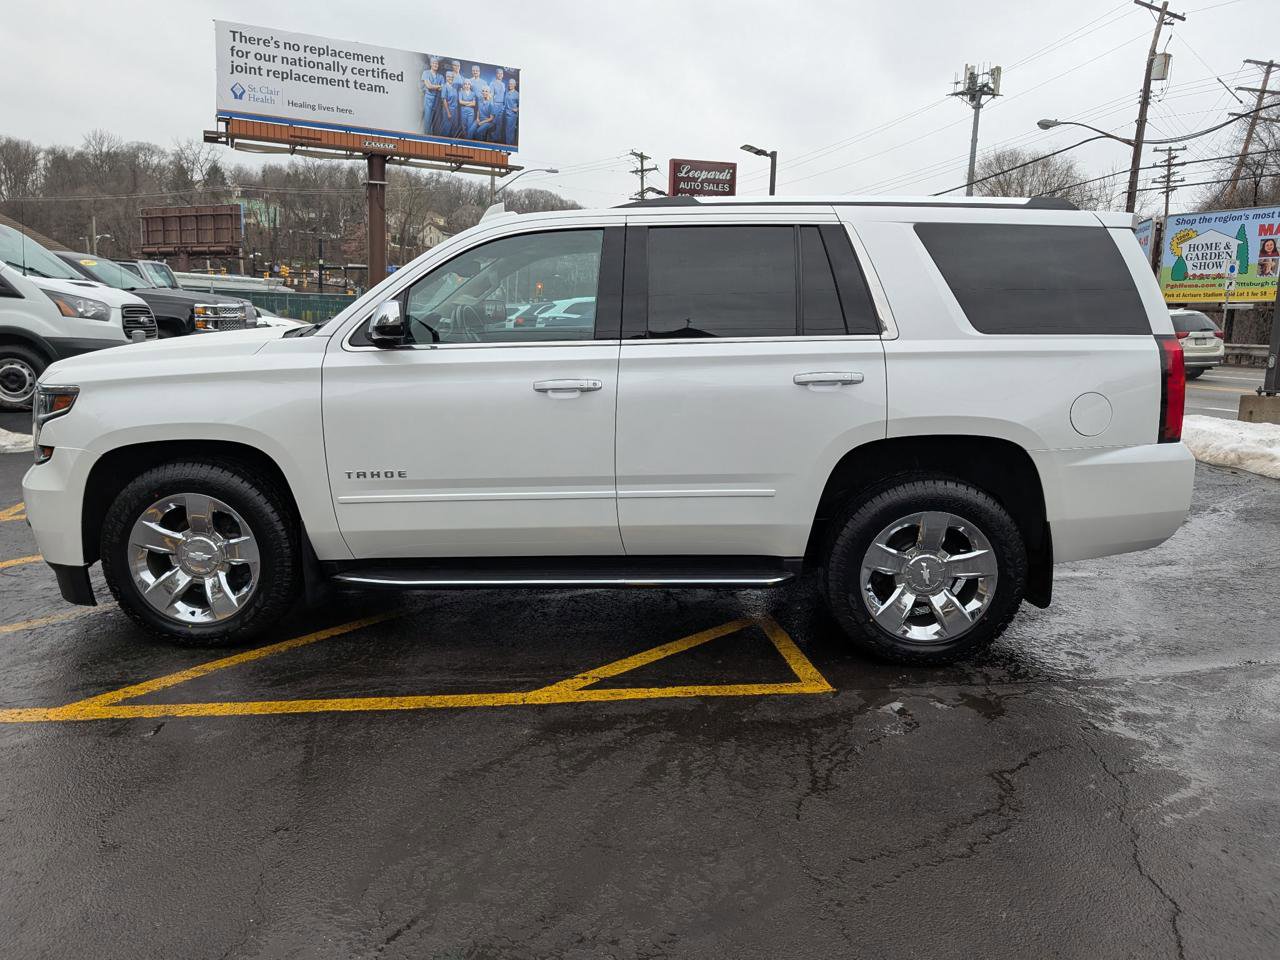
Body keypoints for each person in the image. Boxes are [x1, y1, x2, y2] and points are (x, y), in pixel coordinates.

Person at [420, 57, 444, 134]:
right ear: (431, 64)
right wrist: (438, 86)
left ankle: (433, 138)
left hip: (437, 100)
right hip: (428, 99)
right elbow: (428, 86)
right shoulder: (426, 73)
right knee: (427, 119)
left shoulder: (441, 76)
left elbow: (442, 88)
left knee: (436, 120)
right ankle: (426, 136)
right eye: (434, 63)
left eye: (436, 63)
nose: (435, 65)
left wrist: (434, 86)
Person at [438, 68, 460, 137]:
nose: (450, 78)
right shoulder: (445, 87)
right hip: (448, 110)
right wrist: (448, 113)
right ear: (446, 77)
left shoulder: (454, 87)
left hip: (455, 111)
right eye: (448, 77)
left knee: (454, 128)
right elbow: (444, 101)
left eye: (452, 77)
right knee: (447, 128)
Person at [502, 76, 519, 145]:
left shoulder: (517, 94)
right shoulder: (507, 92)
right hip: (505, 114)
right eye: (509, 83)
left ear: (515, 85)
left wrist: (517, 109)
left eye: (512, 84)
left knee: (510, 131)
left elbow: (522, 104)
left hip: (512, 115)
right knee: (505, 130)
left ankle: (509, 145)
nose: (510, 85)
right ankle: (506, 144)